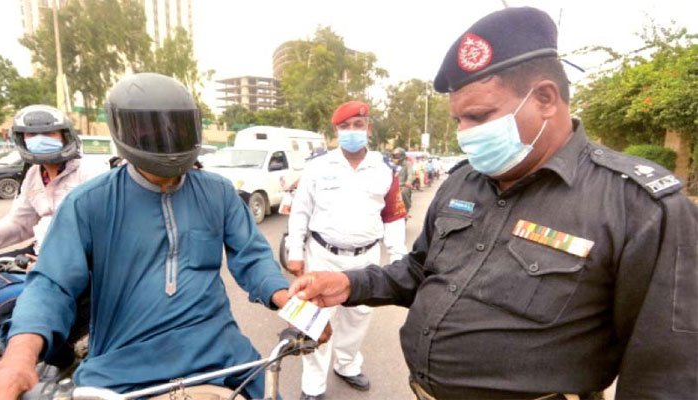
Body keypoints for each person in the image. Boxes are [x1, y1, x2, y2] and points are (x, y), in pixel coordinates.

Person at [288, 7, 698, 400]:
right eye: (458, 121)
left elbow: (667, 374)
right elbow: (420, 269)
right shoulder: (464, 181)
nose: (465, 134)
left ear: (545, 98)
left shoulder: (639, 208)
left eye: (479, 117)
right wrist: (351, 283)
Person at [0, 73, 295, 400]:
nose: (166, 138)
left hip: (221, 353)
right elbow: (51, 285)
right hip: (121, 365)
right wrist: (19, 357)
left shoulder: (218, 193)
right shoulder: (88, 203)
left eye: (175, 127)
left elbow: (253, 259)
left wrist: (293, 303)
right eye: (152, 129)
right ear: (125, 131)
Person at [285, 100, 408, 400]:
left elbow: (392, 216)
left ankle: (347, 364)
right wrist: (295, 252)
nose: (351, 131)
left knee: (358, 317)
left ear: (368, 128)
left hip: (365, 259)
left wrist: (398, 258)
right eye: (345, 127)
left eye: (357, 125)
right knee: (314, 319)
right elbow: (300, 211)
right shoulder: (317, 166)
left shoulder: (384, 170)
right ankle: (313, 384)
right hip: (321, 255)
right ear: (336, 131)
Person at [0, 105, 102, 259]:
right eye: (32, 135)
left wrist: (51, 267)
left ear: (65, 136)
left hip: (80, 259)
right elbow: (20, 223)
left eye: (49, 133)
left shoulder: (91, 171)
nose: (39, 140)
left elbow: (98, 229)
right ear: (22, 140)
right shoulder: (33, 174)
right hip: (41, 251)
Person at [391, 147, 414, 214]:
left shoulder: (407, 164)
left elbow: (410, 174)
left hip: (403, 185)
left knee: (404, 192)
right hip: (393, 185)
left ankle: (406, 207)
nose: (396, 157)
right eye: (395, 155)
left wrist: (409, 181)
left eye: (398, 155)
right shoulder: (392, 164)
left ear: (402, 155)